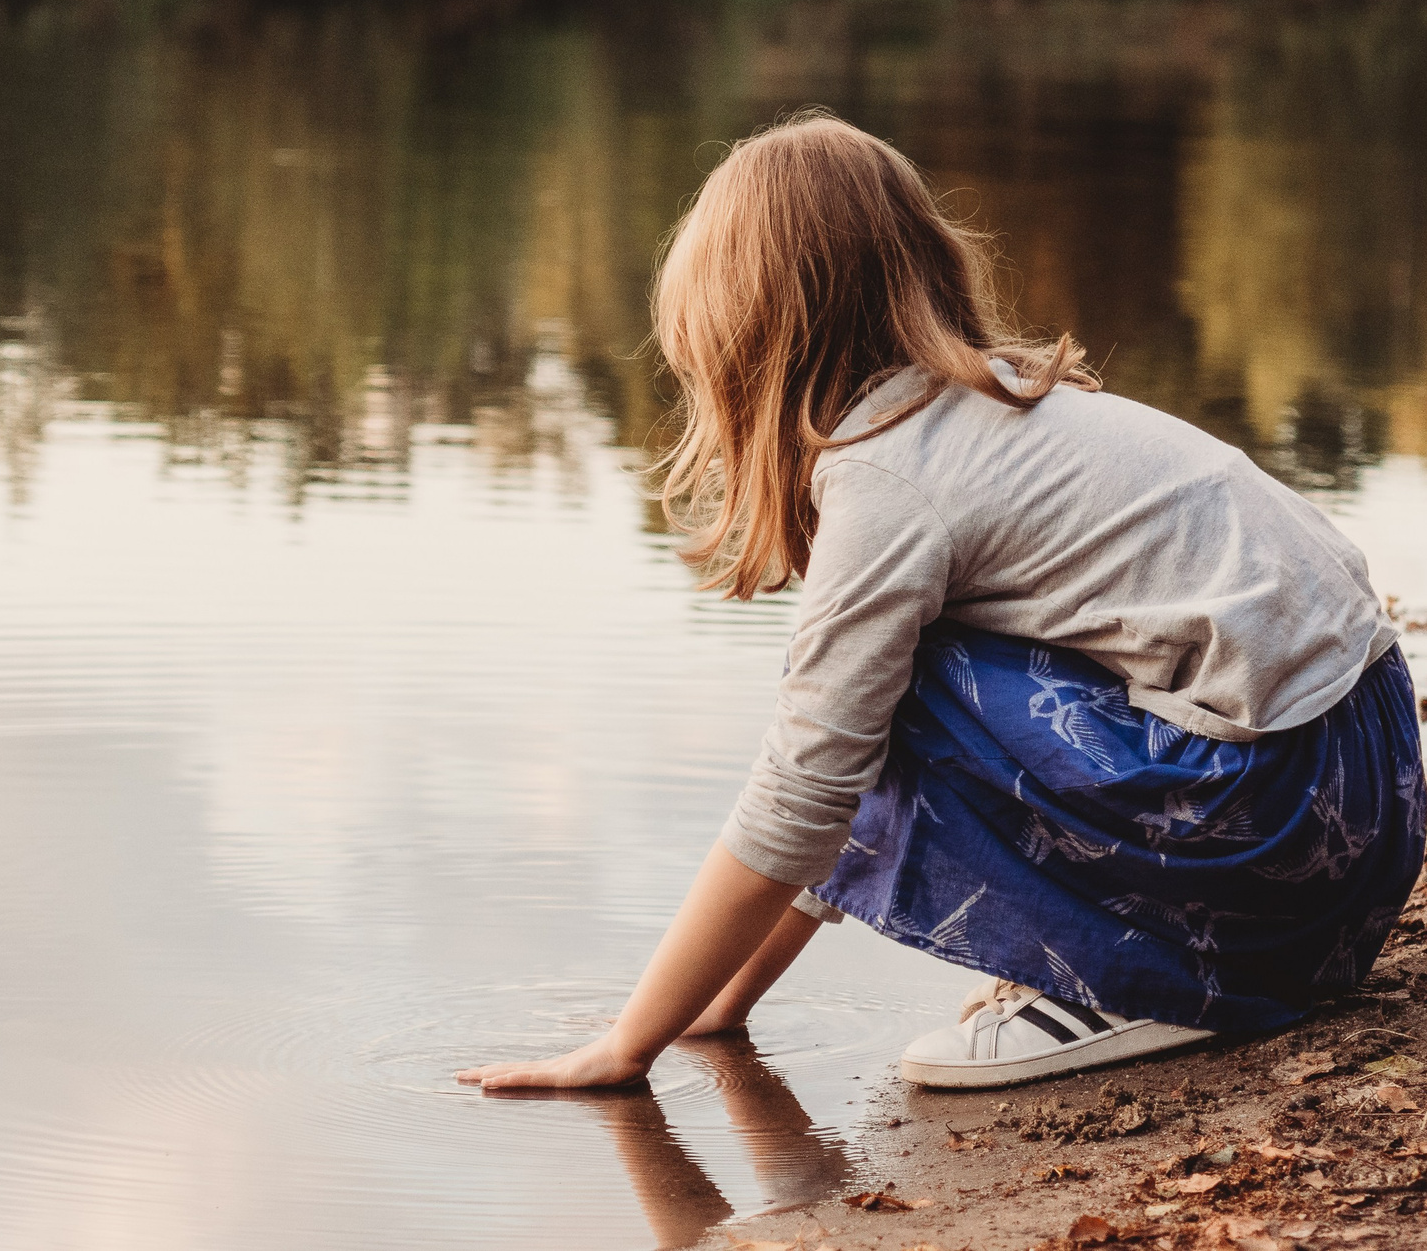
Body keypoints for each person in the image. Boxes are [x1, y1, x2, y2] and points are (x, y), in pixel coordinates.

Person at [456, 115, 1425, 1094]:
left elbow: (807, 788)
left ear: (744, 337)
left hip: (1274, 824)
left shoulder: (887, 476)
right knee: (870, 679)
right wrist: (715, 1007)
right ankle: (1190, 951)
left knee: (883, 685)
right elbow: (831, 790)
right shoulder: (992, 406)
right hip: (1364, 804)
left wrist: (628, 1043)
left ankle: (1130, 981)